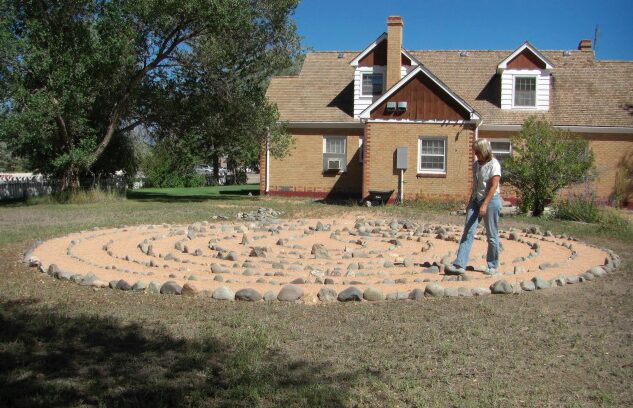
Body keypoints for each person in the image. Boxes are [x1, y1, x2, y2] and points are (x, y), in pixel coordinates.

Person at [445, 139, 502, 275]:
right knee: (468, 231)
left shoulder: (494, 164)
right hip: (476, 201)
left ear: (484, 151)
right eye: (474, 151)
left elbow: (494, 186)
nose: (475, 154)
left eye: (477, 151)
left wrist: (485, 204)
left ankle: (492, 265)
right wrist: (470, 202)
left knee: (492, 235)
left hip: (491, 201)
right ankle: (460, 264)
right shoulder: (476, 164)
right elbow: (475, 185)